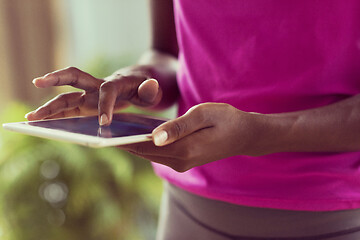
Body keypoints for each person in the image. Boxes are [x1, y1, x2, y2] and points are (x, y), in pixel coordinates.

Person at [26, 0, 360, 239]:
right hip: (187, 214)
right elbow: (168, 54)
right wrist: (139, 80)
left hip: (332, 219)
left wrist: (254, 134)